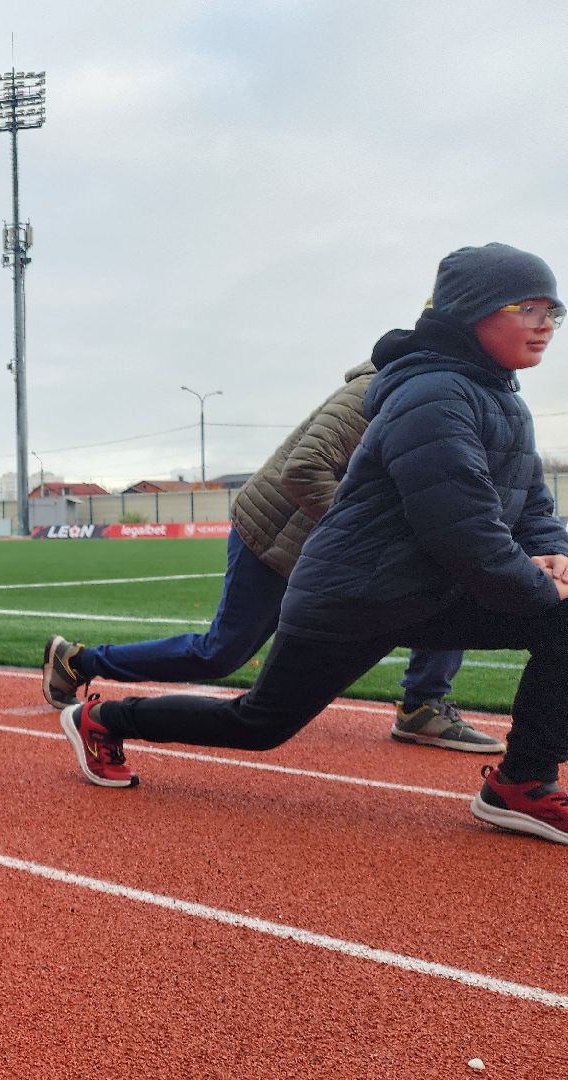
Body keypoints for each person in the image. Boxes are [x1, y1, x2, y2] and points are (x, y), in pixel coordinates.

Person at [56, 244, 568, 849]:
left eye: (553, 310)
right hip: (353, 597)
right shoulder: (433, 396)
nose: (545, 323)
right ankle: (103, 717)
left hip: (421, 592)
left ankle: (520, 784)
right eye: (526, 306)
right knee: (258, 725)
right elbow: (461, 530)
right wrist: (540, 583)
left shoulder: (504, 399)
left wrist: (556, 555)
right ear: (472, 312)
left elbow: (532, 507)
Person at [40, 352, 500, 753]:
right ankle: (78, 661)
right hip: (274, 535)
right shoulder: (376, 387)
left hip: (333, 548)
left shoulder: (463, 399)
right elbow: (303, 470)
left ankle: (422, 704)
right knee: (220, 655)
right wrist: (370, 532)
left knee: (451, 575)